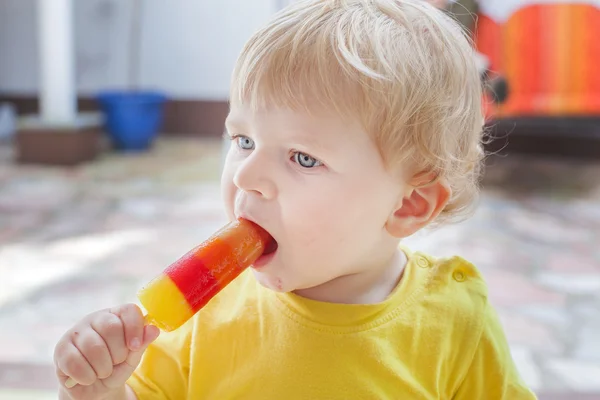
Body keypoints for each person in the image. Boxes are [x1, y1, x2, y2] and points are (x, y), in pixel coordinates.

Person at [53, 0, 536, 398]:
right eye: (242, 140)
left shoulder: (454, 322)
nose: (247, 175)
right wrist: (103, 388)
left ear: (408, 204)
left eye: (303, 158)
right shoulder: (207, 313)